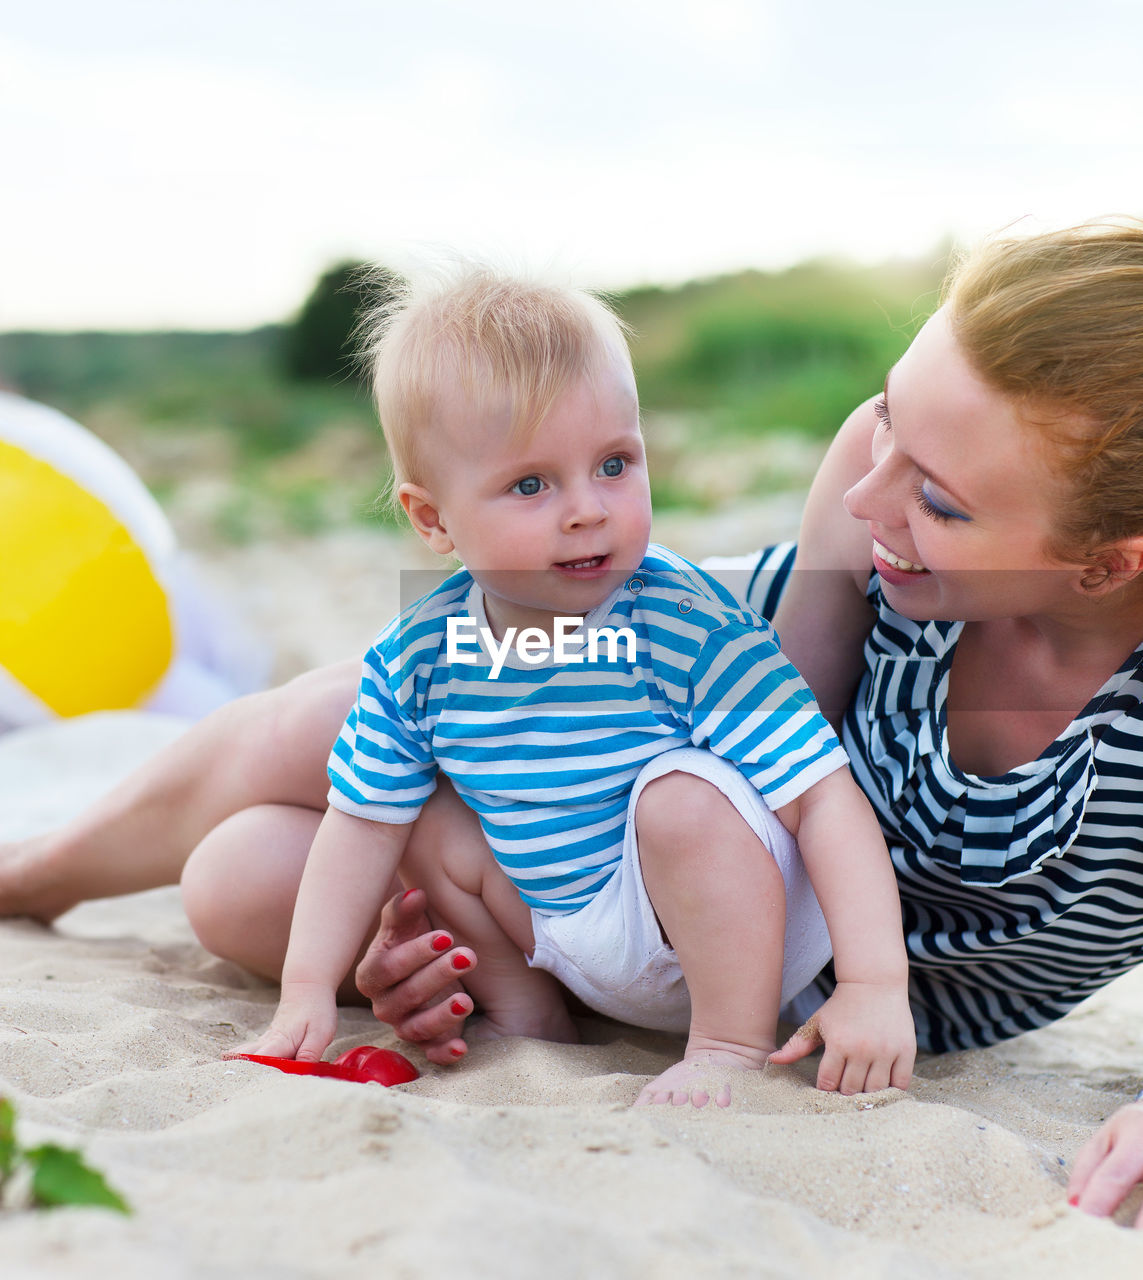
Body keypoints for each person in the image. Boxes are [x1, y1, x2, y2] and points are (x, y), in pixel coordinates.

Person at [4, 219, 1143, 1210]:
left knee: (266, 867)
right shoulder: (873, 511)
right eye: (890, 417)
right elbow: (770, 743)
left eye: (938, 497)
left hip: (788, 955)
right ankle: (39, 873)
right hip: (669, 787)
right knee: (289, 793)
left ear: (1106, 567)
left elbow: (760, 796)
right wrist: (501, 872)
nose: (863, 491)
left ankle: (521, 975)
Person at [226, 267, 915, 1108]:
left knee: (679, 800)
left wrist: (875, 982)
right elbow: (358, 825)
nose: (587, 509)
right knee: (415, 815)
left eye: (614, 464)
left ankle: (728, 1042)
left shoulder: (684, 625)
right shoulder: (418, 654)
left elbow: (822, 797)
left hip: (720, 923)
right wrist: (307, 986)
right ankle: (527, 1009)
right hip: (562, 928)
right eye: (531, 485)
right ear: (432, 519)